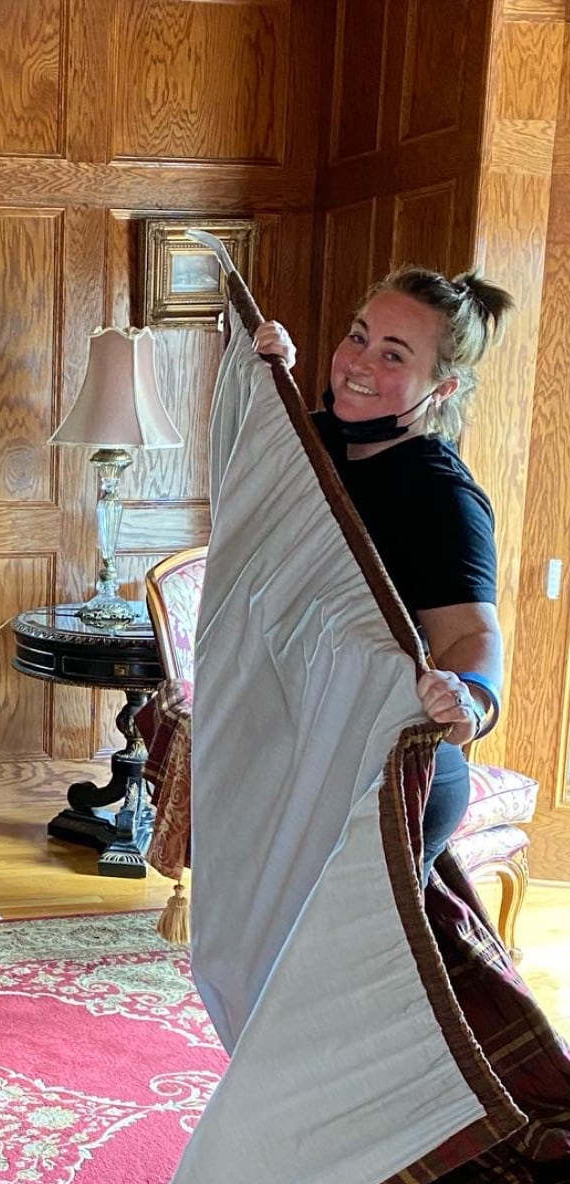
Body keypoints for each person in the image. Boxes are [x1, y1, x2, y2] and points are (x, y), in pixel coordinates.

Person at [253, 266, 514, 883]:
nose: (358, 363)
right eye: (358, 336)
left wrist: (467, 698)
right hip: (301, 759)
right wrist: (264, 382)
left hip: (390, 781)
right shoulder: (309, 443)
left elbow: (472, 638)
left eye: (393, 354)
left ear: (442, 389)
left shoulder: (442, 497)